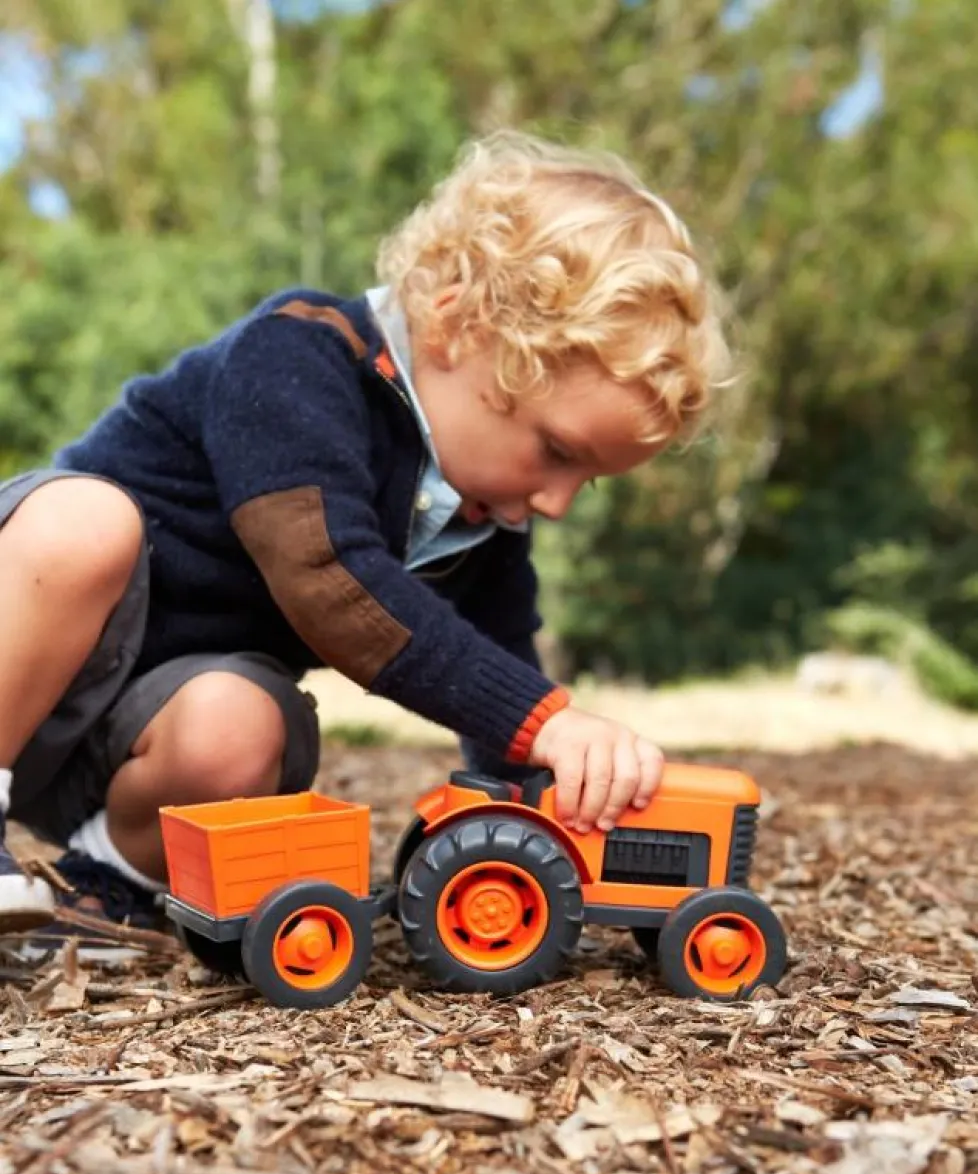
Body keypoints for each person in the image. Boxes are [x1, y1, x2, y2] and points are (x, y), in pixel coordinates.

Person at [0, 130, 730, 951]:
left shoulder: (479, 514)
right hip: (26, 658)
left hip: (124, 745)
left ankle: (102, 883)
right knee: (84, 523)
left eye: (586, 480)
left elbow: (502, 682)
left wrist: (562, 795)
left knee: (243, 728)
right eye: (557, 451)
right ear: (459, 322)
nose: (555, 504)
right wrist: (547, 721)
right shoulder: (296, 358)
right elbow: (327, 573)